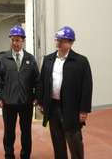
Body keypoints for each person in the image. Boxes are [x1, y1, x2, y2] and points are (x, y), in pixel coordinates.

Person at [37, 26, 93, 159]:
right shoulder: (48, 60)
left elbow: (87, 87)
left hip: (71, 109)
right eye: (57, 39)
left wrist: (84, 110)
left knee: (74, 141)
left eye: (62, 40)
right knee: (57, 141)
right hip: (53, 106)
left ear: (71, 42)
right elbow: (42, 82)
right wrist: (40, 102)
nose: (58, 42)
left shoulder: (81, 61)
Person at [0, 24, 40, 159]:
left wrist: (36, 96)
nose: (15, 43)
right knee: (9, 132)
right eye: (13, 40)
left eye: (18, 40)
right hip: (8, 103)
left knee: (26, 132)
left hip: (26, 102)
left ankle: (25, 156)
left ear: (23, 41)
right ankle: (9, 155)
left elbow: (37, 80)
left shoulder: (30, 59)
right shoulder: (4, 59)